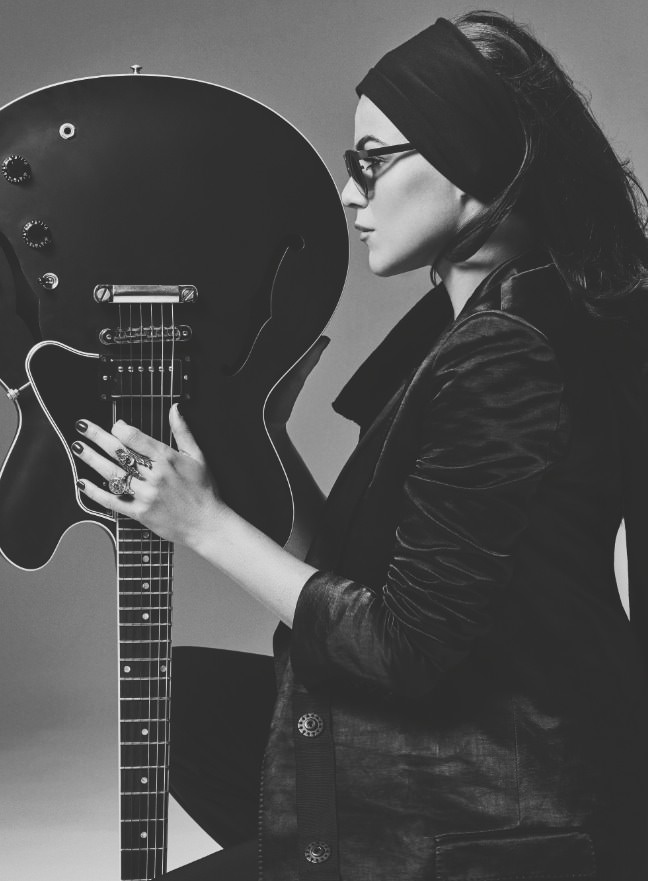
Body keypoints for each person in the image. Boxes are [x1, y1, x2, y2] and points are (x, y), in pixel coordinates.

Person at [72, 10, 648, 880]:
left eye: (373, 162)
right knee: (176, 697)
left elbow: (401, 647)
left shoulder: (508, 350)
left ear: (471, 163)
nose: (351, 193)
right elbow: (361, 570)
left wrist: (203, 523)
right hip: (482, 737)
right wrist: (263, 440)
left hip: (505, 808)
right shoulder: (489, 317)